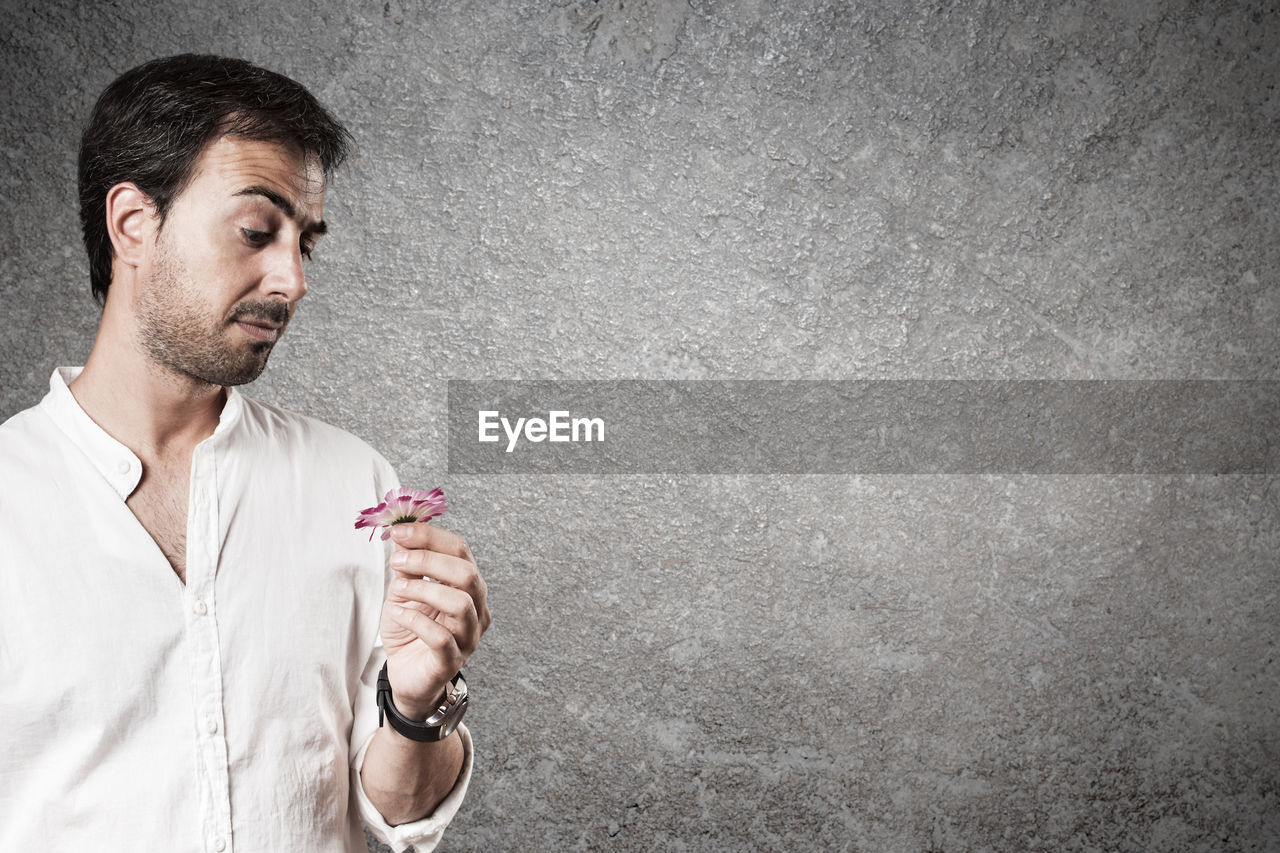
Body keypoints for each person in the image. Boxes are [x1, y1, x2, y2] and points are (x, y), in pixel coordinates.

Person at [0, 54, 491, 852]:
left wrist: (416, 705)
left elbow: (400, 815)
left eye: (306, 244)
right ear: (132, 223)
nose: (292, 279)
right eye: (257, 232)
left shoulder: (353, 485)